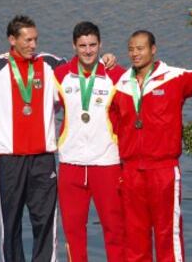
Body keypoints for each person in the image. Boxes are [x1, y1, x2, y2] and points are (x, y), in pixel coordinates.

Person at [0, 11, 116, 262]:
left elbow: (83, 64)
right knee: (11, 226)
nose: (33, 45)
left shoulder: (50, 64)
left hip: (43, 159)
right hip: (9, 160)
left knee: (45, 224)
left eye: (35, 40)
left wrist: (105, 60)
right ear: (12, 39)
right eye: (27, 40)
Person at [110, 30, 192, 262]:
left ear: (153, 50)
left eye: (140, 48)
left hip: (163, 170)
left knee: (167, 236)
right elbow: (113, 122)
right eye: (131, 49)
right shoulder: (121, 84)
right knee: (135, 238)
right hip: (131, 171)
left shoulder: (173, 77)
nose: (135, 54)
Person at [53, 21, 126, 262]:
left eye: (93, 45)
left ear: (101, 44)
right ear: (74, 46)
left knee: (115, 231)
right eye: (82, 45)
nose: (88, 51)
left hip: (107, 163)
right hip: (71, 165)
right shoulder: (60, 75)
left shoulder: (116, 75)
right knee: (73, 234)